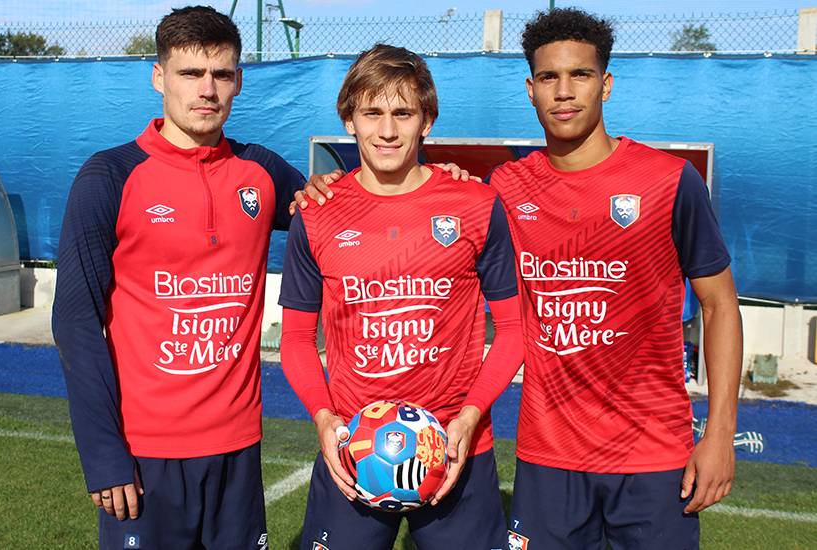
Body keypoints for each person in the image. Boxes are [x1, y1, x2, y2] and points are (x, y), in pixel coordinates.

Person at [51, 6, 354, 548]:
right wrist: (103, 454)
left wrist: (434, 173)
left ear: (239, 80)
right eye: (191, 73)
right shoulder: (110, 177)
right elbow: (75, 320)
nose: (207, 89)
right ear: (159, 76)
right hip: (144, 453)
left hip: (237, 447)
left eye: (221, 74)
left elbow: (352, 210)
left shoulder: (260, 170)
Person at [494, 9, 743, 549]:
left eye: (580, 75)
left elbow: (720, 305)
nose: (564, 92)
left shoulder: (669, 181)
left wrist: (720, 434)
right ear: (530, 90)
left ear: (605, 84)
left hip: (653, 457)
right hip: (548, 458)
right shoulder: (506, 188)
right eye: (549, 78)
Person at [278, 44, 524, 550]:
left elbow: (516, 331)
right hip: (355, 447)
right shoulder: (316, 213)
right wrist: (324, 419)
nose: (387, 131)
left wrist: (471, 416)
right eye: (372, 113)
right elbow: (299, 340)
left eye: (402, 113)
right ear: (348, 119)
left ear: (426, 120)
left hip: (457, 449)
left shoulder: (475, 205)